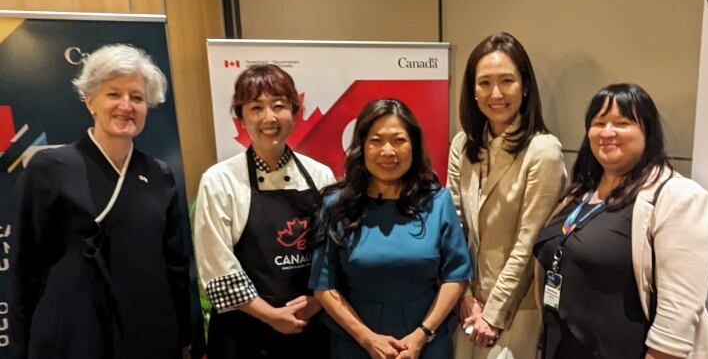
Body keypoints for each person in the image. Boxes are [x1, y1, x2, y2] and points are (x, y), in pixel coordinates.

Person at [9, 44, 191, 358]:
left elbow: (174, 264)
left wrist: (187, 337)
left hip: (149, 331)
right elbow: (26, 267)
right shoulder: (50, 168)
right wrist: (20, 347)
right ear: (90, 101)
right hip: (74, 332)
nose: (126, 105)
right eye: (113, 94)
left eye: (136, 97)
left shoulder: (159, 175)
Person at [532, 83, 708, 359]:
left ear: (647, 131)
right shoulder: (582, 190)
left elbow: (677, 320)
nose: (607, 133)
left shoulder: (679, 198)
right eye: (599, 123)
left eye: (621, 123)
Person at [310, 98, 473, 359]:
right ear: (361, 147)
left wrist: (421, 336)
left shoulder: (437, 201)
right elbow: (323, 286)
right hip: (354, 343)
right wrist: (367, 339)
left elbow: (456, 276)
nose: (388, 151)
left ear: (414, 146)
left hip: (426, 345)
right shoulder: (334, 205)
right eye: (376, 141)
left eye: (399, 140)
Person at [193, 64, 335, 358]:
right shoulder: (219, 181)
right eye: (256, 107)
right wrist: (271, 315)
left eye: (279, 106)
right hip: (243, 331)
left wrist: (315, 304)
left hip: (309, 326)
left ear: (294, 114)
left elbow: (335, 253)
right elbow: (217, 271)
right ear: (241, 118)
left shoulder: (321, 176)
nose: (269, 118)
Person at [447, 32, 567, 359]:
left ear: (524, 86)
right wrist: (463, 295)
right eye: (484, 82)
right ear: (472, 90)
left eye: (506, 81)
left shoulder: (543, 151)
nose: (495, 93)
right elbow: (453, 226)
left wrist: (493, 314)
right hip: (466, 305)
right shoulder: (462, 145)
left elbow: (530, 243)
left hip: (517, 308)